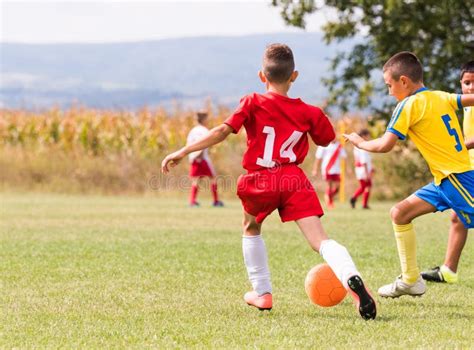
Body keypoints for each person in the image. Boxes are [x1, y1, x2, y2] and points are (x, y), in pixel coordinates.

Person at [162, 43, 376, 320]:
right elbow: (326, 138)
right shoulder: (309, 112)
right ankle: (351, 276)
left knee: (251, 227)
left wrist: (184, 150)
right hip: (292, 179)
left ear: (262, 76)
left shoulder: (253, 101)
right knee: (320, 240)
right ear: (294, 76)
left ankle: (262, 293)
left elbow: (221, 131)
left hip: (260, 179)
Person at [344, 52, 474, 298]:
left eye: (389, 85)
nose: (390, 91)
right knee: (399, 214)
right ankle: (410, 280)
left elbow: (384, 145)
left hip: (459, 179)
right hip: (443, 181)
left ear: (403, 81)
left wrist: (360, 143)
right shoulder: (440, 96)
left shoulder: (408, 105)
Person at [421, 60, 474, 283]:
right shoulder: (467, 105)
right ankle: (448, 271)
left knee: (459, 217)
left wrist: (461, 145)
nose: (470, 88)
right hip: (468, 169)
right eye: (467, 82)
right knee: (457, 218)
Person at [186, 111, 224, 207]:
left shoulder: (193, 130)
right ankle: (215, 201)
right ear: (203, 119)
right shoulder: (203, 130)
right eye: (207, 118)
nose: (208, 120)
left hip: (193, 158)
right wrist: (200, 156)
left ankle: (192, 201)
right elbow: (202, 143)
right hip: (201, 158)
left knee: (197, 179)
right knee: (212, 178)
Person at [312, 139, 346, 208]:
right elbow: (318, 158)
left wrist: (348, 168)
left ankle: (328, 196)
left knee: (337, 187)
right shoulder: (324, 145)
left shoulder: (339, 145)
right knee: (329, 186)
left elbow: (344, 157)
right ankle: (329, 202)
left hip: (337, 169)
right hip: (327, 168)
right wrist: (315, 169)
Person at [350, 129, 374, 210]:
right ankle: (359, 201)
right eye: (367, 135)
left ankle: (357, 200)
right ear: (363, 136)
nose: (368, 137)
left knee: (364, 186)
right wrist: (367, 172)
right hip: (363, 170)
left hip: (360, 169)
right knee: (366, 186)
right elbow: (364, 160)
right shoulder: (362, 145)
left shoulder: (356, 145)